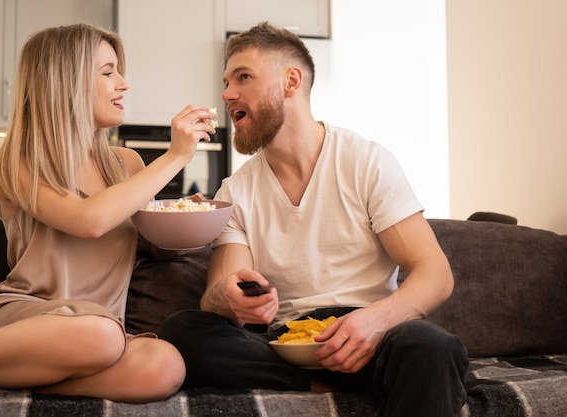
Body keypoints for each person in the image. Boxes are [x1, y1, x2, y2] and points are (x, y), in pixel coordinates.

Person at [160, 22, 469, 416]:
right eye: (226, 81)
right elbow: (220, 292)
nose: (226, 94)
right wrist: (228, 298)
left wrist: (375, 321)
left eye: (243, 77)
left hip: (367, 340)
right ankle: (314, 384)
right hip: (284, 344)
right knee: (183, 331)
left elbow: (435, 273)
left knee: (432, 347)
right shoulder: (234, 191)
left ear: (291, 81)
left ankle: (356, 379)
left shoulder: (365, 161)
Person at [0, 23, 217, 403]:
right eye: (108, 72)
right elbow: (90, 221)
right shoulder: (19, 162)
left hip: (102, 337)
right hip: (28, 321)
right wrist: (174, 157)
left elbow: (158, 249)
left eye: (119, 71)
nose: (124, 83)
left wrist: (186, 221)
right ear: (63, 83)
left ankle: (20, 381)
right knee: (99, 333)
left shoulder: (128, 164)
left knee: (166, 364)